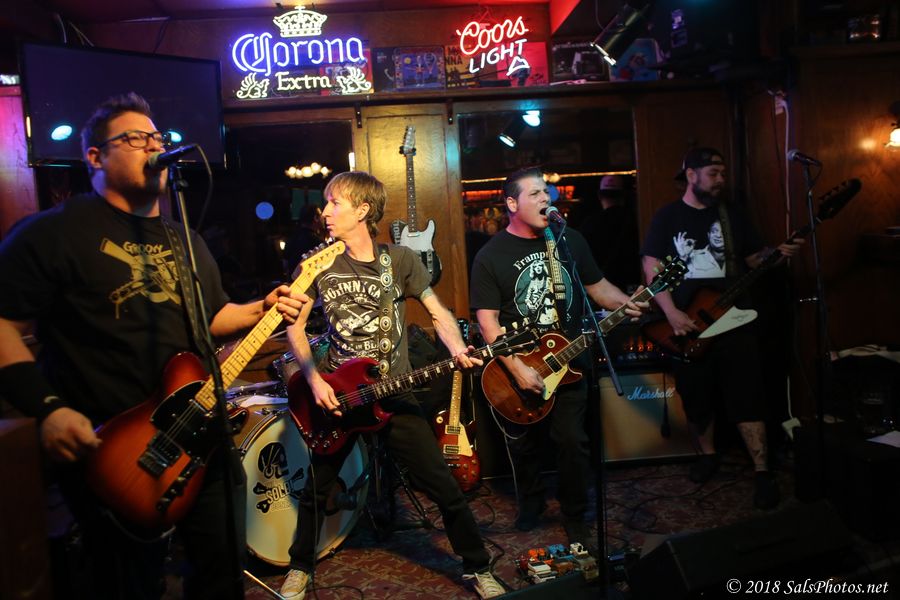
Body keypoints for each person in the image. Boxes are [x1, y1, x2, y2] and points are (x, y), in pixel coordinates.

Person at [0, 92, 308, 599]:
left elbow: (213, 319)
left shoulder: (185, 238)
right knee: (127, 585)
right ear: (95, 156)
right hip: (115, 446)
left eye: (157, 137)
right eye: (135, 138)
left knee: (220, 574)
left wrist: (264, 307)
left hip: (201, 436)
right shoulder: (53, 233)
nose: (153, 146)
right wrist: (47, 409)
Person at [281, 171, 505, 600]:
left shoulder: (399, 261)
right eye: (326, 203)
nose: (325, 211)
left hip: (393, 393)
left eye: (335, 202)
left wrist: (458, 348)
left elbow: (437, 312)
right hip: (340, 397)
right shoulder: (315, 264)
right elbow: (294, 326)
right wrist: (314, 380)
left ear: (362, 210)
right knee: (316, 490)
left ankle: (478, 567)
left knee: (445, 488)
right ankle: (300, 566)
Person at [469, 166, 646, 549]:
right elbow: (488, 322)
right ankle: (531, 502)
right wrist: (516, 369)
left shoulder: (568, 240)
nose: (545, 199)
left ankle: (575, 515)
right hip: (517, 364)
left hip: (569, 361)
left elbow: (597, 287)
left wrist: (627, 302)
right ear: (512, 203)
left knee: (572, 442)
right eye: (534, 194)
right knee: (523, 445)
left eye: (545, 192)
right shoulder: (491, 255)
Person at [640, 147, 803, 510]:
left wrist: (777, 254)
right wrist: (670, 313)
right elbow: (651, 267)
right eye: (713, 173)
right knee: (697, 397)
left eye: (723, 174)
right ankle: (708, 456)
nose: (720, 180)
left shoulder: (732, 216)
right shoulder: (668, 217)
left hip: (734, 319)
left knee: (748, 394)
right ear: (691, 175)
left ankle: (762, 472)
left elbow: (754, 259)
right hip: (688, 324)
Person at [576, 174, 641, 290]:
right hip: (633, 284)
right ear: (624, 195)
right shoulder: (637, 220)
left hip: (601, 287)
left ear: (599, 196)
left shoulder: (589, 224)